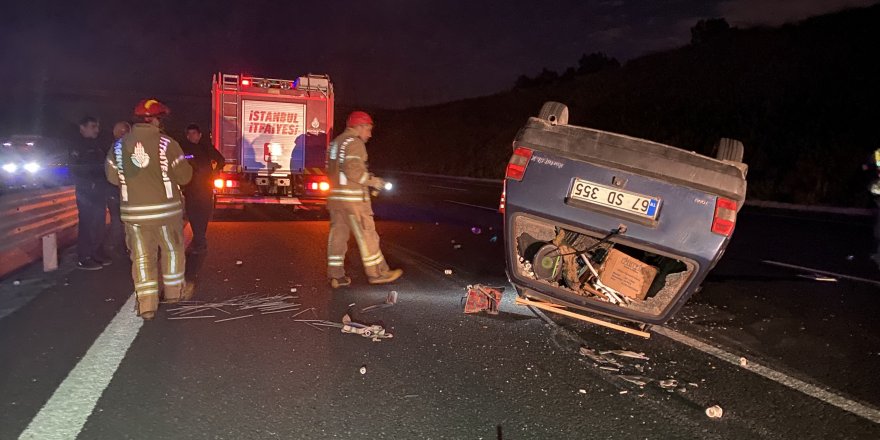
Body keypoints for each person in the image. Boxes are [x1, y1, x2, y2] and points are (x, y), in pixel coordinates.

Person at [105, 99, 192, 320]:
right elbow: (185, 176)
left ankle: (147, 306)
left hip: (134, 215)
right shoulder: (167, 144)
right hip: (166, 214)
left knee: (142, 258)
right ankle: (174, 294)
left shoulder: (117, 146)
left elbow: (112, 177)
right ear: (155, 120)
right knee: (172, 251)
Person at [326, 111, 402, 288]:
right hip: (353, 202)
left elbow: (332, 170)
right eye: (368, 129)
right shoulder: (355, 143)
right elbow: (353, 171)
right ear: (358, 127)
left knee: (338, 236)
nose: (369, 134)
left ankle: (336, 276)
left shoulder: (335, 143)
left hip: (336, 200)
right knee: (368, 235)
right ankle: (377, 273)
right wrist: (373, 181)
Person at [181, 123, 225, 292]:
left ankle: (200, 239)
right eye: (189, 134)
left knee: (204, 214)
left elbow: (221, 160)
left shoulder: (206, 148)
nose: (192, 136)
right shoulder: (184, 149)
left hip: (205, 188)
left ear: (199, 135)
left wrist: (215, 172)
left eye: (194, 134)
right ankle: (199, 240)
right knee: (193, 214)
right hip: (191, 189)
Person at [70, 116, 110, 270]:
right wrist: (89, 183)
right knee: (87, 223)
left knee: (99, 223)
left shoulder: (97, 145)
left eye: (97, 126)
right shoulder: (76, 146)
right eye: (93, 126)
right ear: (82, 127)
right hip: (86, 192)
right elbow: (75, 170)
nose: (96, 130)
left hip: (99, 190)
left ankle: (96, 253)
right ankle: (84, 257)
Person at [104, 121, 131, 257]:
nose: (123, 134)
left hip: (123, 192)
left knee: (123, 222)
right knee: (118, 221)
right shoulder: (117, 149)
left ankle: (120, 247)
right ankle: (112, 248)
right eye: (121, 132)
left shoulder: (120, 148)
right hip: (116, 192)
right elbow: (111, 174)